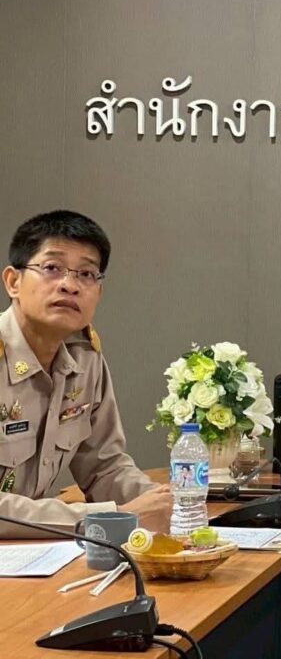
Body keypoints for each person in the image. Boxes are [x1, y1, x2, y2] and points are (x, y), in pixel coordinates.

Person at [0, 210, 172, 537]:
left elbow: (104, 467)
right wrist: (110, 517)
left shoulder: (85, 358)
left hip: (31, 552)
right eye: (52, 268)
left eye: (87, 274)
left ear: (99, 293)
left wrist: (159, 501)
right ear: (13, 282)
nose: (70, 285)